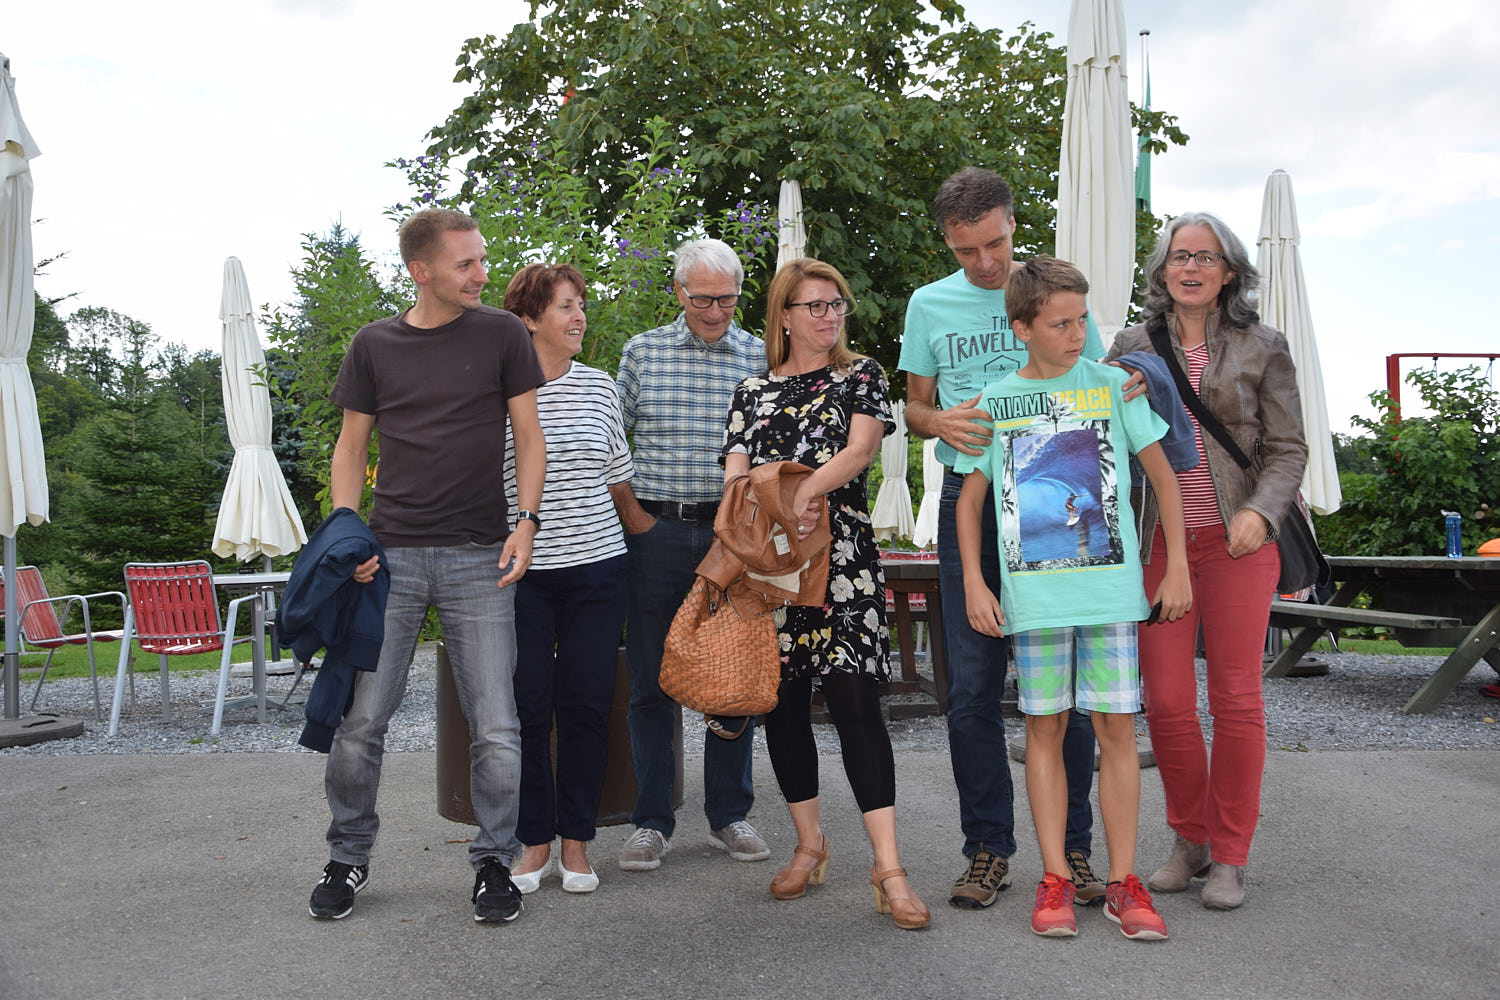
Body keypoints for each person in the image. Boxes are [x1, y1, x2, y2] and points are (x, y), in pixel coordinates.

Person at [898, 167, 1135, 909]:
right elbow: (914, 407)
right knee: (971, 689)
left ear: (1011, 223)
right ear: (947, 242)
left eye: (994, 244)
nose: (984, 262)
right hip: (971, 504)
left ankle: (1073, 853)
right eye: (966, 251)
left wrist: (1134, 380)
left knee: (1069, 692)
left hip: (1056, 505)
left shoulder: (1052, 297)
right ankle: (988, 850)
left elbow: (1097, 382)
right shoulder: (928, 304)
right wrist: (936, 421)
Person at [307, 208, 545, 924]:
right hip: (391, 560)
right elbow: (351, 447)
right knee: (361, 721)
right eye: (466, 263)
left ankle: (494, 863)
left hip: (481, 556)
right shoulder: (373, 344)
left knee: (496, 724)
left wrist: (526, 523)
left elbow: (528, 436)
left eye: (482, 259)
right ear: (422, 271)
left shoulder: (503, 334)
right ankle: (348, 857)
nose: (482, 274)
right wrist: (347, 535)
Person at [954, 256, 1191, 940]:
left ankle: (1123, 881)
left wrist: (1177, 567)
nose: (1077, 334)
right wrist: (974, 581)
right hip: (1036, 603)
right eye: (1060, 323)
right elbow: (969, 501)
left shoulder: (1114, 387)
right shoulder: (996, 400)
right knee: (1045, 731)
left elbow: (1165, 477)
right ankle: (1055, 877)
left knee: (1117, 732)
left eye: (1082, 319)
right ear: (1022, 328)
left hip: (1111, 596)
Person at [1105, 213, 1307, 911]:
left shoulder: (1264, 345)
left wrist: (1262, 511)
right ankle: (1189, 838)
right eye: (1179, 256)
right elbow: (1104, 435)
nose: (1190, 268)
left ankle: (1230, 854)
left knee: (1236, 699)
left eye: (1206, 257)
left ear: (1229, 272)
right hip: (1158, 543)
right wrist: (1115, 400)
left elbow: (1288, 448)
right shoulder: (1131, 344)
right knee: (1164, 700)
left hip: (1238, 541)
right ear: (1162, 270)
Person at [722, 257, 929, 930]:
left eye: (836, 303)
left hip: (843, 563)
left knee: (855, 702)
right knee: (782, 706)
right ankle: (809, 845)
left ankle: (888, 866)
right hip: (774, 568)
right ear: (784, 316)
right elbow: (735, 479)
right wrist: (768, 515)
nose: (830, 315)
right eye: (815, 305)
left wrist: (805, 493)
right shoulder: (751, 390)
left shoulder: (860, 374)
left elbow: (861, 451)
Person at [611, 238, 768, 871]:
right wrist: (637, 520)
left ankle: (729, 813)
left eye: (727, 299)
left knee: (733, 676)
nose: (715, 311)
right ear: (679, 292)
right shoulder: (642, 352)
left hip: (733, 538)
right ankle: (652, 821)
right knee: (651, 682)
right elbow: (609, 438)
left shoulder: (760, 354)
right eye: (702, 299)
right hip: (658, 533)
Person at [500, 263, 632, 895]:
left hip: (598, 569)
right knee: (526, 707)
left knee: (585, 705)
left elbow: (617, 475)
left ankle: (576, 842)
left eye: (581, 305)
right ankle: (533, 842)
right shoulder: (497, 391)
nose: (580, 317)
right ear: (529, 319)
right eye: (565, 307)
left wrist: (645, 535)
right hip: (520, 576)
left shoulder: (600, 387)